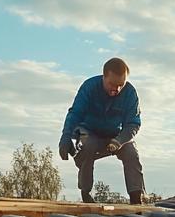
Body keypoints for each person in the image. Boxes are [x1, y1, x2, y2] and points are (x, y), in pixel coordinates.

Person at [59, 57, 144, 204]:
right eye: (112, 84)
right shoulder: (89, 87)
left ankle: (136, 197)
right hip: (89, 133)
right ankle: (86, 193)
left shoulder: (130, 93)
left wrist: (120, 140)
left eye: (120, 85)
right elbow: (75, 113)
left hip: (115, 137)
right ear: (103, 77)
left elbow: (133, 124)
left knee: (131, 151)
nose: (115, 89)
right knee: (87, 145)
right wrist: (66, 137)